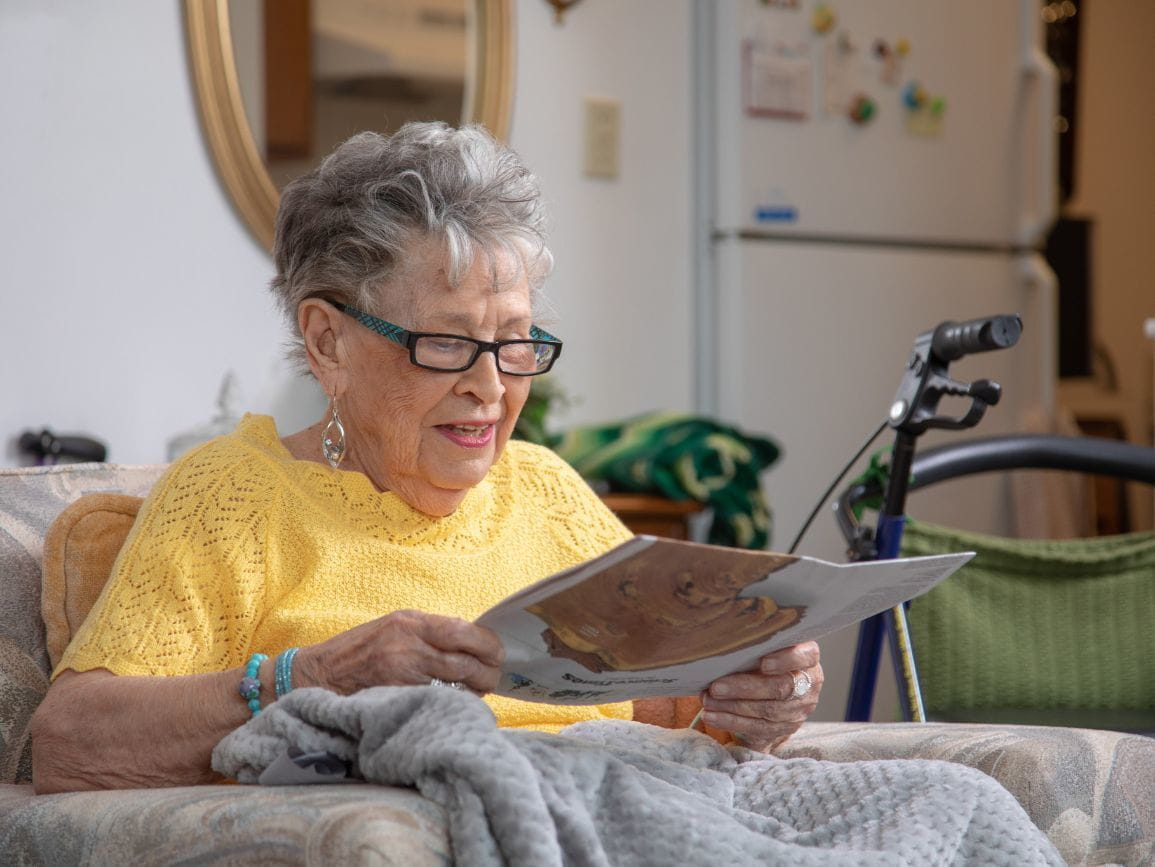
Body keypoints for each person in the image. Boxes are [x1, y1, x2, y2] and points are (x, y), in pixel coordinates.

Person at [30, 122, 822, 794]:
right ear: (326, 341)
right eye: (446, 342)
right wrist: (312, 679)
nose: (490, 385)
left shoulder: (544, 490)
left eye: (513, 341)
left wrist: (751, 701)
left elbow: (658, 717)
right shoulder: (234, 495)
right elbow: (68, 744)